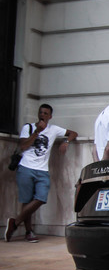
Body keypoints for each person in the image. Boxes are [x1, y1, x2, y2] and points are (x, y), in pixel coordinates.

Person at [5, 104, 78, 242]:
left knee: (41, 198)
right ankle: (28, 232)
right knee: (26, 201)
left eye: (45, 113)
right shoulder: (29, 128)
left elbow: (73, 133)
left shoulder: (54, 129)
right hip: (26, 167)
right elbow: (23, 146)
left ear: (50, 116)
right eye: (41, 112)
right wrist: (37, 132)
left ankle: (15, 223)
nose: (42, 115)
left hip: (42, 170)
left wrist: (66, 142)